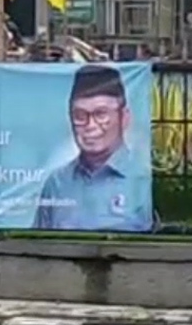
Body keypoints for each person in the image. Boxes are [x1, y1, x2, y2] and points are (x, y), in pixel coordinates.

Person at [34, 65, 149, 231]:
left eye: (101, 114)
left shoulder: (143, 178)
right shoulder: (57, 183)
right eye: (80, 116)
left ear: (124, 117)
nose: (90, 125)